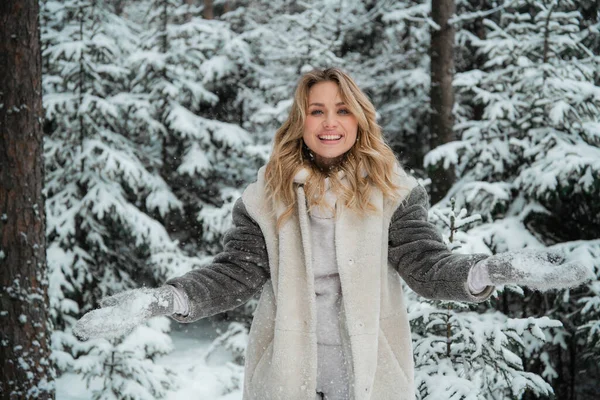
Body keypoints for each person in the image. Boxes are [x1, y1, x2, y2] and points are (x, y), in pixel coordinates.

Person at [74, 67, 593, 400]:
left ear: (359, 119)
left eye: (341, 109)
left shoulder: (393, 193)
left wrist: (490, 269)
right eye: (316, 110)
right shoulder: (266, 197)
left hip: (369, 372)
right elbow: (236, 273)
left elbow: (427, 266)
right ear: (300, 122)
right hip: (288, 370)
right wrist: (165, 298)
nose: (329, 122)